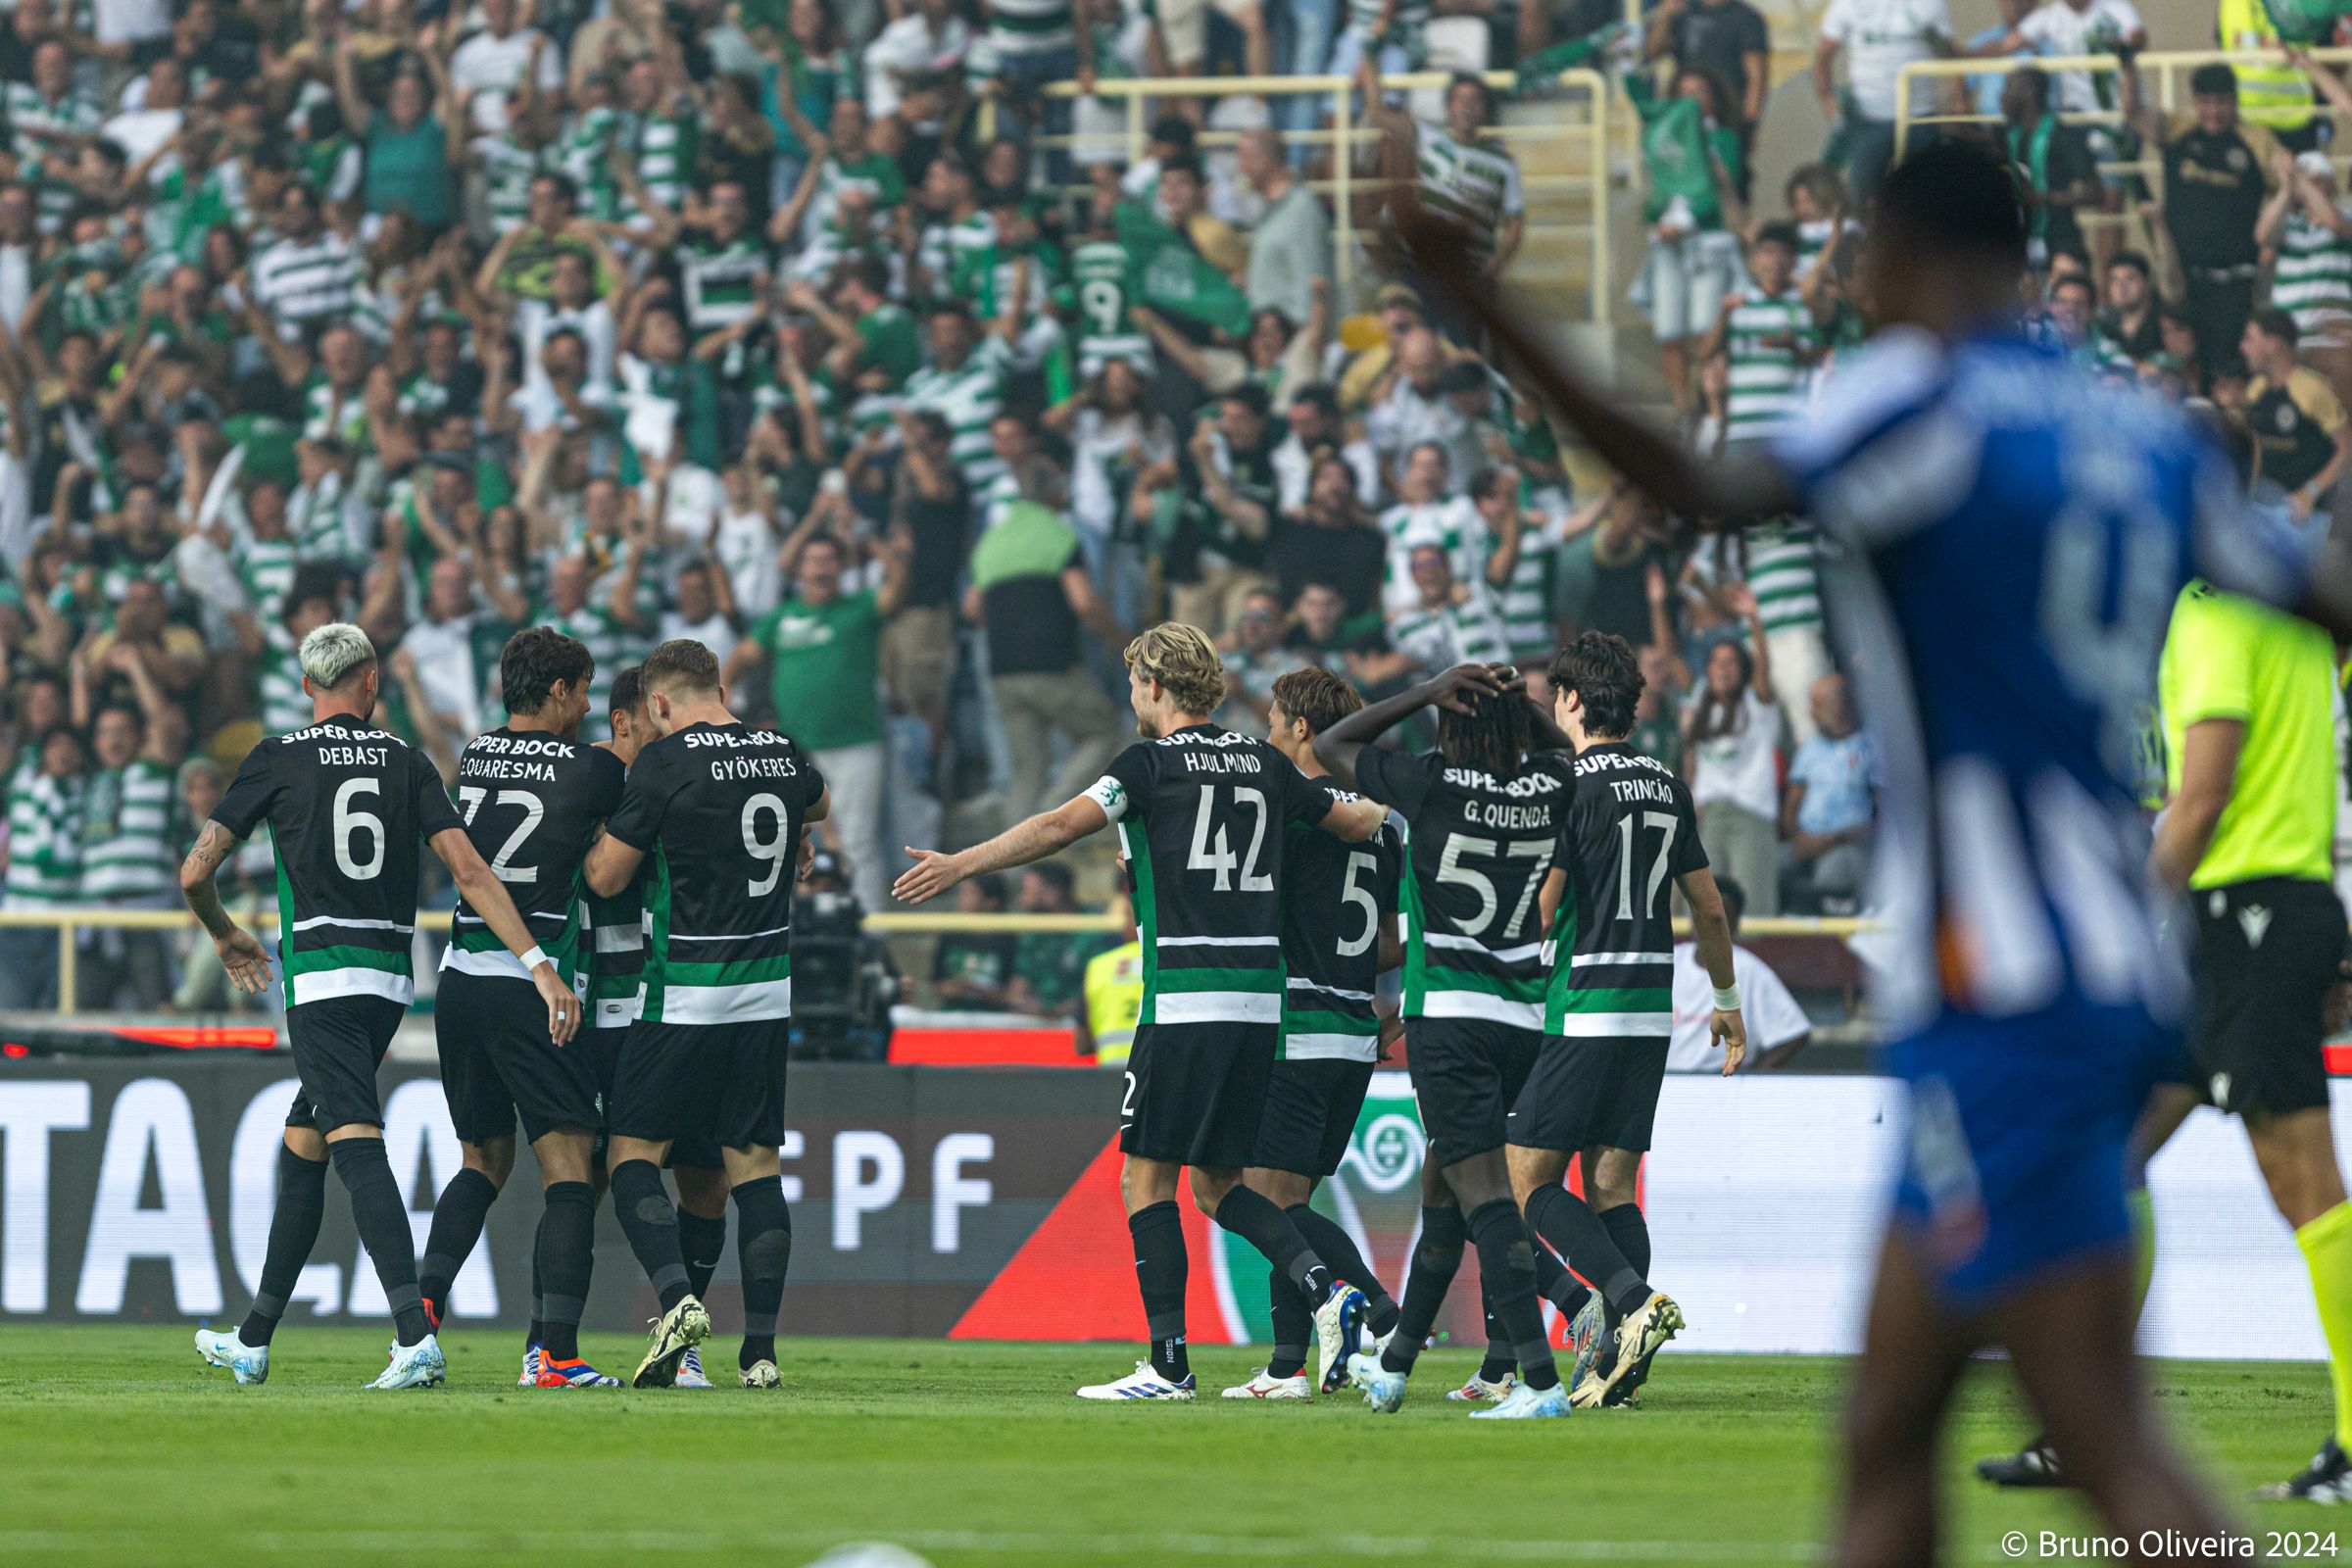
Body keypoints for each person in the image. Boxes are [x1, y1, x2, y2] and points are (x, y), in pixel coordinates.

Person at [1397, 132, 2331, 1563]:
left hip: (2005, 981)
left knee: (2103, 1438)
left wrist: (1484, 300)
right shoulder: (2140, 434)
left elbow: (1707, 490)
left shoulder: (1921, 400)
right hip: (2100, 956)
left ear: (1894, 257)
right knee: (1890, 1425)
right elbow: (2316, 590)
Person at [894, 622, 1388, 1401]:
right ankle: (1329, 1291)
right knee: (1219, 1185)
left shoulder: (1148, 765)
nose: (1131, 696)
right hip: (1263, 1007)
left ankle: (1169, 1364)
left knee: (1146, 1178)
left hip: (1186, 996)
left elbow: (1058, 826)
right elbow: (1358, 821)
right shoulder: (1265, 763)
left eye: (1133, 683)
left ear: (1155, 685)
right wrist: (1416, 794)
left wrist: (964, 863)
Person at [188, 623, 573, 1392]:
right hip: (388, 982)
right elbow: (470, 871)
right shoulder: (407, 761)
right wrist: (537, 963)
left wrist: (227, 934)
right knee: (306, 1141)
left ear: (308, 686)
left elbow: (196, 871)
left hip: (321, 982)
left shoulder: (277, 757)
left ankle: (413, 1337)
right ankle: (254, 1338)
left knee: (355, 1142)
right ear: (370, 683)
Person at [1311, 664, 1583, 1420]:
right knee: (1443, 1191)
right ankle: (1396, 1365)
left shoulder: (1430, 783)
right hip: (1521, 1018)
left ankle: (1539, 1382)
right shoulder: (1547, 786)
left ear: (1450, 723)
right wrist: (1518, 706)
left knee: (1486, 1195)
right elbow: (1569, 753)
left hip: (1450, 1020)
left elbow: (1333, 744)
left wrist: (1429, 690)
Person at [583, 638, 830, 1391]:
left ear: (659, 703)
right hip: (766, 995)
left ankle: (678, 1300)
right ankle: (760, 1353)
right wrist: (798, 833)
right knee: (754, 1168)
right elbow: (817, 802)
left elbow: (606, 877)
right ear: (719, 689)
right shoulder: (781, 751)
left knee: (631, 1157)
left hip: (683, 993)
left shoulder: (664, 762)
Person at [1515, 631, 1742, 1409]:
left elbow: (1543, 908)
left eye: (1557, 694)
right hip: (1650, 1009)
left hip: (1583, 1003)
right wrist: (1726, 1001)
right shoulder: (1667, 783)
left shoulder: (1565, 784)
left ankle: (1632, 1303)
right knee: (1611, 1183)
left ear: (1574, 699)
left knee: (1526, 1179)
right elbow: (1707, 907)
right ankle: (1620, 1363)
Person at [415, 628, 627, 1391]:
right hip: (531, 983)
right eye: (585, 689)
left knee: (481, 1163)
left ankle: (418, 1322)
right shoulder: (592, 768)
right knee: (570, 1169)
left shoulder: (477, 753)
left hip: (459, 981)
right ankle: (555, 1356)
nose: (589, 705)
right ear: (561, 690)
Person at [1222, 665, 1406, 1401]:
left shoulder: (1292, 812)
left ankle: (1381, 1312)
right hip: (1355, 1032)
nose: (1267, 733)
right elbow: (1390, 943)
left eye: (1273, 721)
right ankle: (1287, 1367)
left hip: (1296, 1024)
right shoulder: (1384, 826)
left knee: (1269, 1203)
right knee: (1290, 1199)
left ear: (1301, 728)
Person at [573, 664, 731, 1392]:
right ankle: (551, 1344)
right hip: (606, 1008)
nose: (668, 732)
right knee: (587, 1177)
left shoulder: (682, 780)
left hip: (678, 1004)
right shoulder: (592, 781)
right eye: (655, 722)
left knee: (705, 1177)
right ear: (626, 721)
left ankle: (683, 1337)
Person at [727, 531, 908, 910]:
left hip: (854, 744)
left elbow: (897, 587)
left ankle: (866, 928)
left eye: (829, 560)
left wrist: (870, 540)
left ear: (842, 567)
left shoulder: (860, 607)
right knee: (789, 838)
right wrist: (722, 697)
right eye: (813, 560)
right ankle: (798, 924)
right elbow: (742, 656)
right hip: (796, 750)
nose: (821, 568)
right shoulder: (781, 617)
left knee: (857, 840)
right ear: (800, 570)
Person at [2126, 57, 2280, 383]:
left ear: (2235, 100)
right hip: (2181, 281)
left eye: (2221, 102)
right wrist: (2126, 62)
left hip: (2235, 284)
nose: (2213, 111)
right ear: (2195, 101)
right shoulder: (2178, 130)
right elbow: (2133, 112)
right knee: (2178, 369)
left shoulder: (2258, 141)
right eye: (2205, 102)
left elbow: (2287, 190)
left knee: (2226, 372)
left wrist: (2272, 248)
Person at [1682, 613, 1780, 916]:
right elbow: (1671, 658)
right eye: (1716, 661)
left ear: (1744, 668)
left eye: (1731, 662)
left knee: (1753, 910)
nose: (1723, 668)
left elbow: (1764, 667)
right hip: (1710, 815)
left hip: (1751, 813)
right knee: (1702, 910)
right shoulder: (1700, 699)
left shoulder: (1757, 702)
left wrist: (1754, 620)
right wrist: (1657, 602)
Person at [1811, 0, 1953, 202]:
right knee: (1863, 193)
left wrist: (1959, 100)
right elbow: (1824, 54)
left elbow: (1947, 53)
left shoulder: (1929, 3)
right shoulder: (1848, 3)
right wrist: (1829, 104)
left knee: (1928, 195)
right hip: (1868, 119)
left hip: (1921, 117)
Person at [1670, 876, 1810, 1071]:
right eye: (1702, 913)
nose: (1709, 923)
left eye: (1720, 918)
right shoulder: (1670, 961)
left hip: (1721, 1082)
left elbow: (1794, 1032)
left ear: (1735, 924)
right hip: (1666, 1081)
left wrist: (1754, 1080)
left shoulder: (1750, 970)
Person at [2241, 307, 2350, 521]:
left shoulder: (2312, 390)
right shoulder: (2254, 391)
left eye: (2249, 339)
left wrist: (2311, 492)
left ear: (2272, 344)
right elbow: (2257, 445)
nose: (2243, 347)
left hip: (2307, 516)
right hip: (2264, 509)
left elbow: (2347, 448)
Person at [1782, 671, 1876, 909]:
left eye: (1817, 705)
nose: (1810, 713)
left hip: (1847, 843)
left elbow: (1885, 815)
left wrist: (1833, 839)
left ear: (1840, 706)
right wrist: (1797, 836)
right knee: (1769, 866)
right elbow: (1793, 801)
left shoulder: (1870, 747)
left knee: (1832, 874)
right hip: (1806, 842)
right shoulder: (1811, 747)